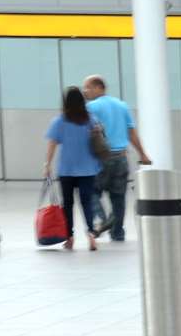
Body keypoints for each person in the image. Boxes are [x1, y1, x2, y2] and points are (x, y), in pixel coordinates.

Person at [81, 75, 151, 242]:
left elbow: (86, 133)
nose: (85, 91)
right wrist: (142, 154)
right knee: (118, 197)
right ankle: (117, 232)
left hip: (100, 159)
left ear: (100, 88)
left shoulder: (90, 107)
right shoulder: (122, 106)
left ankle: (104, 220)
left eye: (88, 87)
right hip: (121, 158)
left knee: (91, 191)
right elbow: (131, 132)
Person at [42, 86, 103, 252]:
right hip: (88, 169)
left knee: (67, 204)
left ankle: (69, 237)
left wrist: (47, 164)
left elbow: (52, 145)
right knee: (87, 203)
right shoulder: (91, 119)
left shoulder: (59, 121)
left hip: (67, 170)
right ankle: (91, 234)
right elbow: (99, 140)